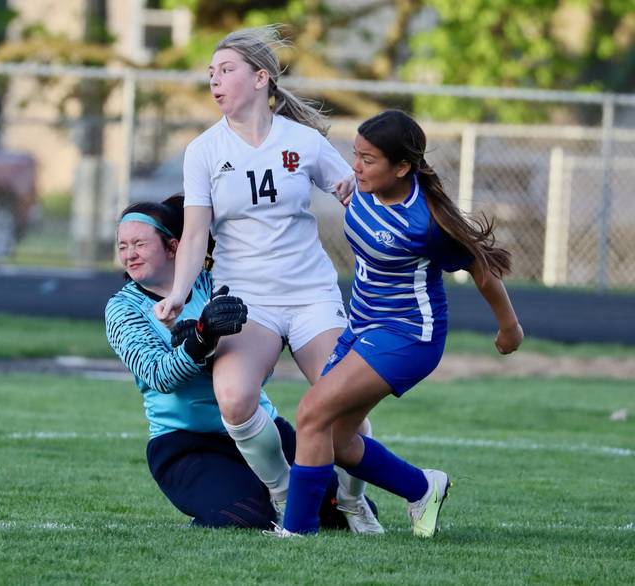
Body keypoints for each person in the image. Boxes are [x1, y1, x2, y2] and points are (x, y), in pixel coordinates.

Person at [152, 26, 381, 534]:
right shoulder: (203, 151)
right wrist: (177, 295)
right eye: (210, 73)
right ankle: (282, 492)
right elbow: (194, 237)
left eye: (225, 70)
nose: (214, 81)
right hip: (247, 301)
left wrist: (356, 190)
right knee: (234, 398)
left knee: (351, 414)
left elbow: (355, 193)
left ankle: (351, 499)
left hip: (310, 297)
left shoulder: (302, 142)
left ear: (261, 78)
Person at [275, 110, 525, 537]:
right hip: (362, 326)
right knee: (334, 440)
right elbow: (343, 179)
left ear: (403, 167)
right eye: (355, 155)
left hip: (407, 335)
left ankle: (296, 533)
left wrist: (509, 329)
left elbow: (483, 271)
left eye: (368, 159)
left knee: (311, 412)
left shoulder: (425, 224)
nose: (355, 166)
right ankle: (421, 487)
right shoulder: (362, 187)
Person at [105, 194, 369, 530]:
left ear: (173, 247)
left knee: (335, 516)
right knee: (244, 518)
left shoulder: (217, 283)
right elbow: (158, 375)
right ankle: (244, 497)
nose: (129, 254)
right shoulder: (122, 308)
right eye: (123, 245)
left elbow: (261, 368)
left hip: (259, 427)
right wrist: (200, 340)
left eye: (139, 244)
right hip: (187, 443)